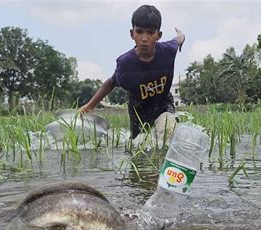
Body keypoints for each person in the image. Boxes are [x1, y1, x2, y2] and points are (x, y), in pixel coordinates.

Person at [78, 4, 185, 139]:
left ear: (158, 35)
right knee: (137, 145)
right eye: (139, 32)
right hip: (138, 112)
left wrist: (181, 35)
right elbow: (111, 83)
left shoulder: (168, 51)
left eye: (150, 33)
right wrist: (89, 106)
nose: (144, 38)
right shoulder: (125, 63)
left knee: (167, 129)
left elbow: (179, 39)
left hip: (163, 106)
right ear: (132, 33)